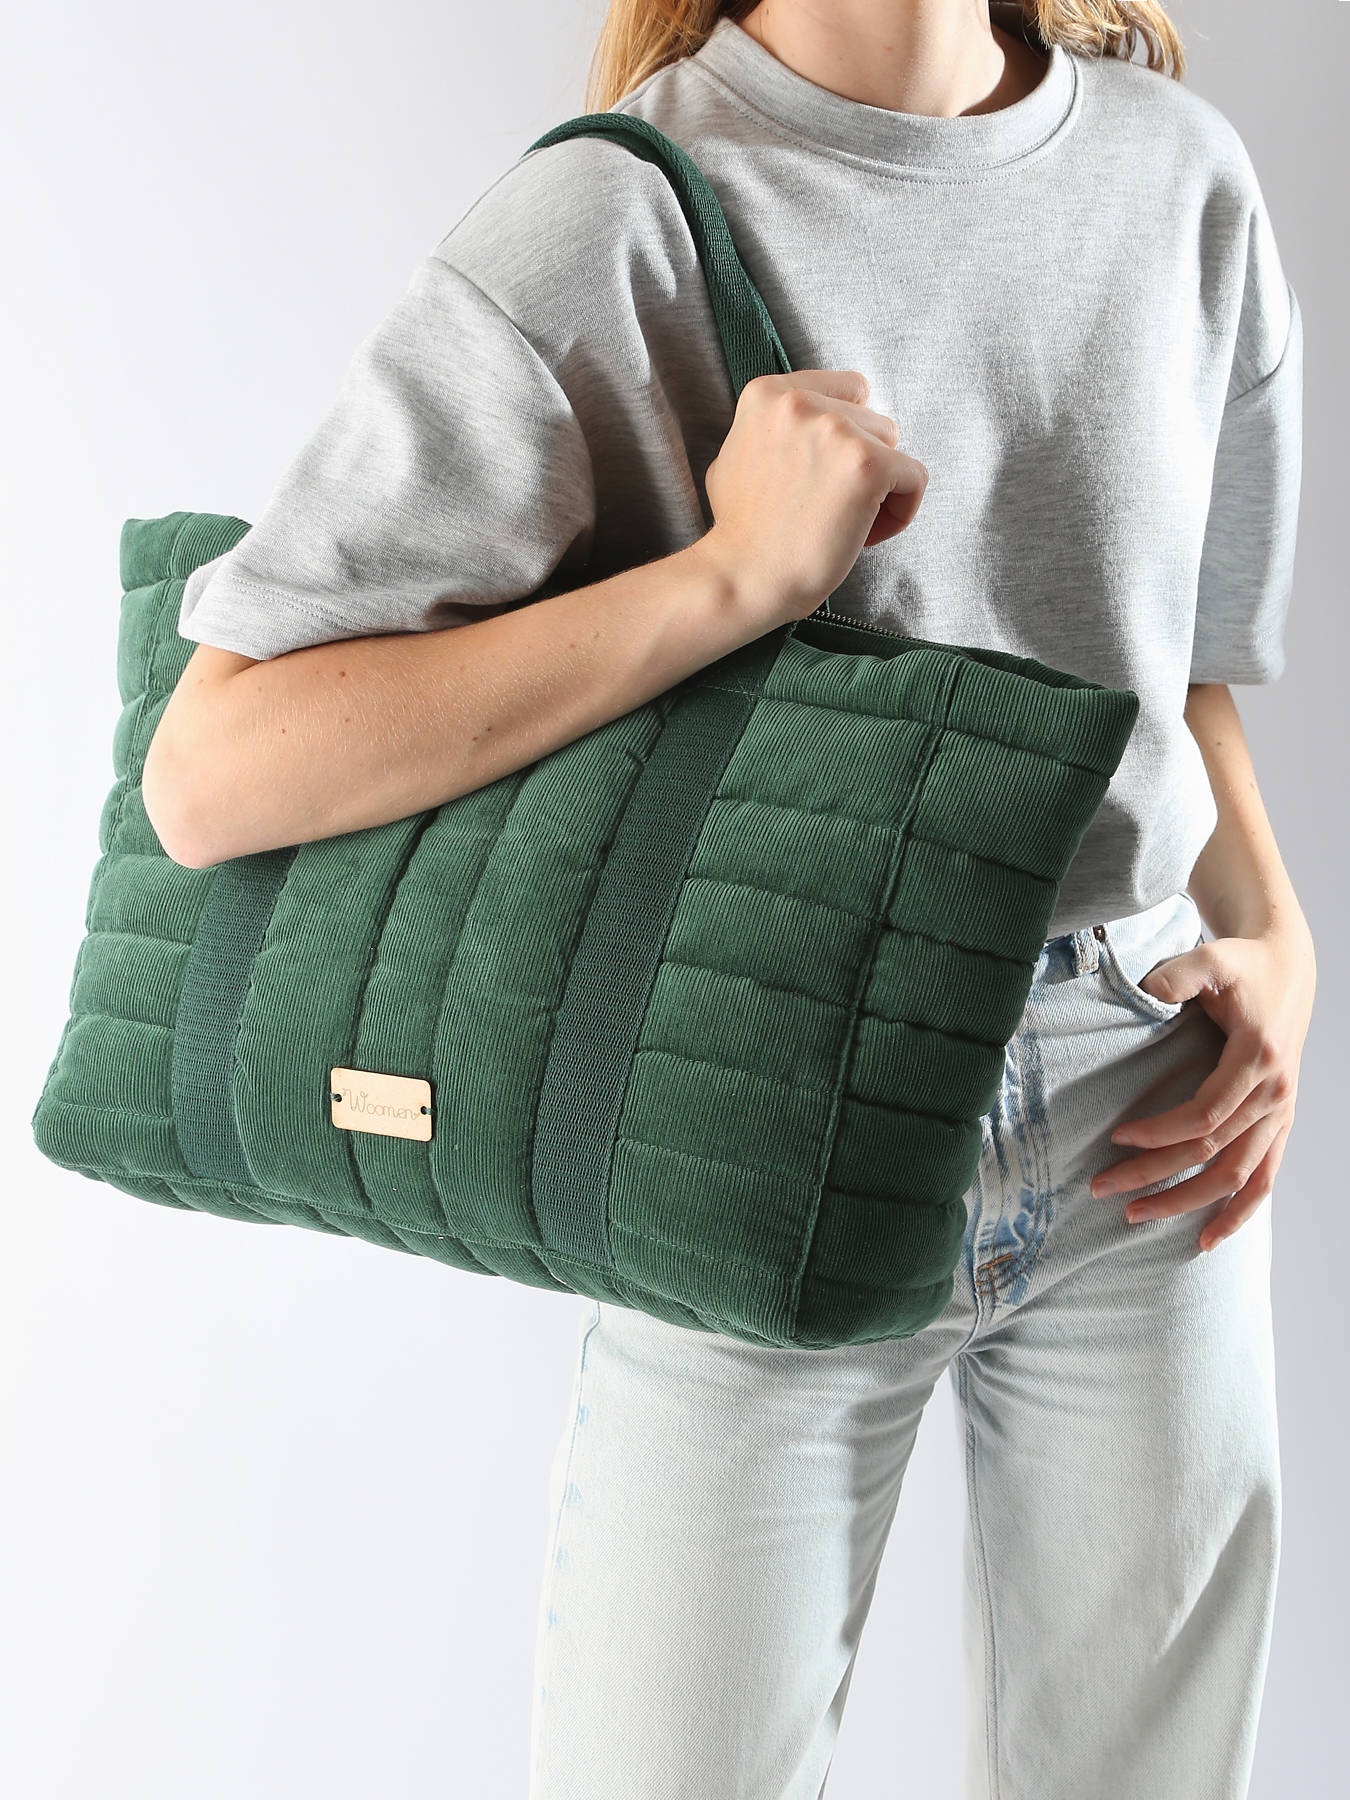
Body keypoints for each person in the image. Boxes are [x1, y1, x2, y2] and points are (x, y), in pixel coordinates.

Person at [145, 1, 1314, 1794]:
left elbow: (1179, 665)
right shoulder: (617, 220)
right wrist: (730, 577)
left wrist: (1282, 939)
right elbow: (215, 769)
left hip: (1148, 1112)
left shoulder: (1180, 178)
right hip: (760, 1095)